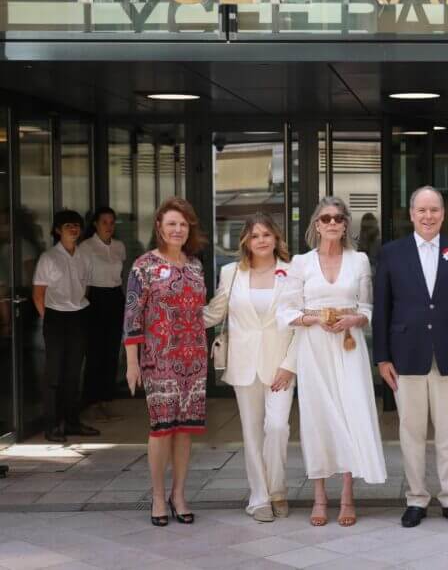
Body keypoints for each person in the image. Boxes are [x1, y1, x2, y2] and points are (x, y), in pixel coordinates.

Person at [278, 197, 386, 527]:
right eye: (326, 218)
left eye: (339, 218)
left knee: (352, 416)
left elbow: (368, 308)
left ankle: (348, 497)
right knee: (318, 418)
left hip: (349, 349)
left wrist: (354, 321)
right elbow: (286, 310)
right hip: (313, 348)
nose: (333, 223)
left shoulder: (361, 261)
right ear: (316, 224)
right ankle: (320, 497)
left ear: (346, 224)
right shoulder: (300, 262)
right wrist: (312, 320)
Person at [373, 185, 448, 528]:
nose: (428, 216)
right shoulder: (391, 253)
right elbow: (382, 307)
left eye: (434, 210)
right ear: (411, 214)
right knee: (411, 433)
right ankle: (416, 498)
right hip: (406, 357)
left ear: (443, 214)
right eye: (422, 211)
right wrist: (383, 358)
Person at [205, 214, 296, 524]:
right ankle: (260, 497)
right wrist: (174, 313)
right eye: (255, 235)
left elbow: (299, 325)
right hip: (244, 365)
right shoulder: (231, 273)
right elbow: (214, 313)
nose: (261, 240)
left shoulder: (292, 271)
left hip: (281, 365)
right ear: (246, 240)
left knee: (277, 428)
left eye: (267, 234)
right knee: (252, 433)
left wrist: (290, 364)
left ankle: (278, 489)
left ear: (276, 238)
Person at [123, 197, 208, 527]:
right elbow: (132, 317)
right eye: (172, 223)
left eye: (183, 224)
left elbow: (202, 311)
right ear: (159, 226)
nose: (178, 229)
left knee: (184, 431)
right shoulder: (143, 266)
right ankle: (158, 496)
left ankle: (179, 494)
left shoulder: (196, 265)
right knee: (161, 430)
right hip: (158, 360)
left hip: (194, 360)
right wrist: (132, 363)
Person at [32, 209, 99, 443]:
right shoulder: (48, 258)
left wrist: (77, 309)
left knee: (73, 373)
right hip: (56, 318)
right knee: (54, 374)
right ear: (58, 230)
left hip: (79, 315)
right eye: (68, 226)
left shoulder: (85, 256)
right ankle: (52, 425)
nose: (73, 229)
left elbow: (86, 288)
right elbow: (38, 294)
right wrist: (48, 318)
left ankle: (72, 422)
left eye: (76, 225)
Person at [80, 207, 127, 423]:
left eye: (112, 222)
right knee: (95, 352)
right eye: (105, 222)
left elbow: (121, 275)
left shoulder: (119, 247)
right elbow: (82, 280)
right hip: (94, 298)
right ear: (95, 225)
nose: (109, 226)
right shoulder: (86, 247)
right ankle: (91, 402)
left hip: (115, 296)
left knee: (111, 352)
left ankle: (107, 400)